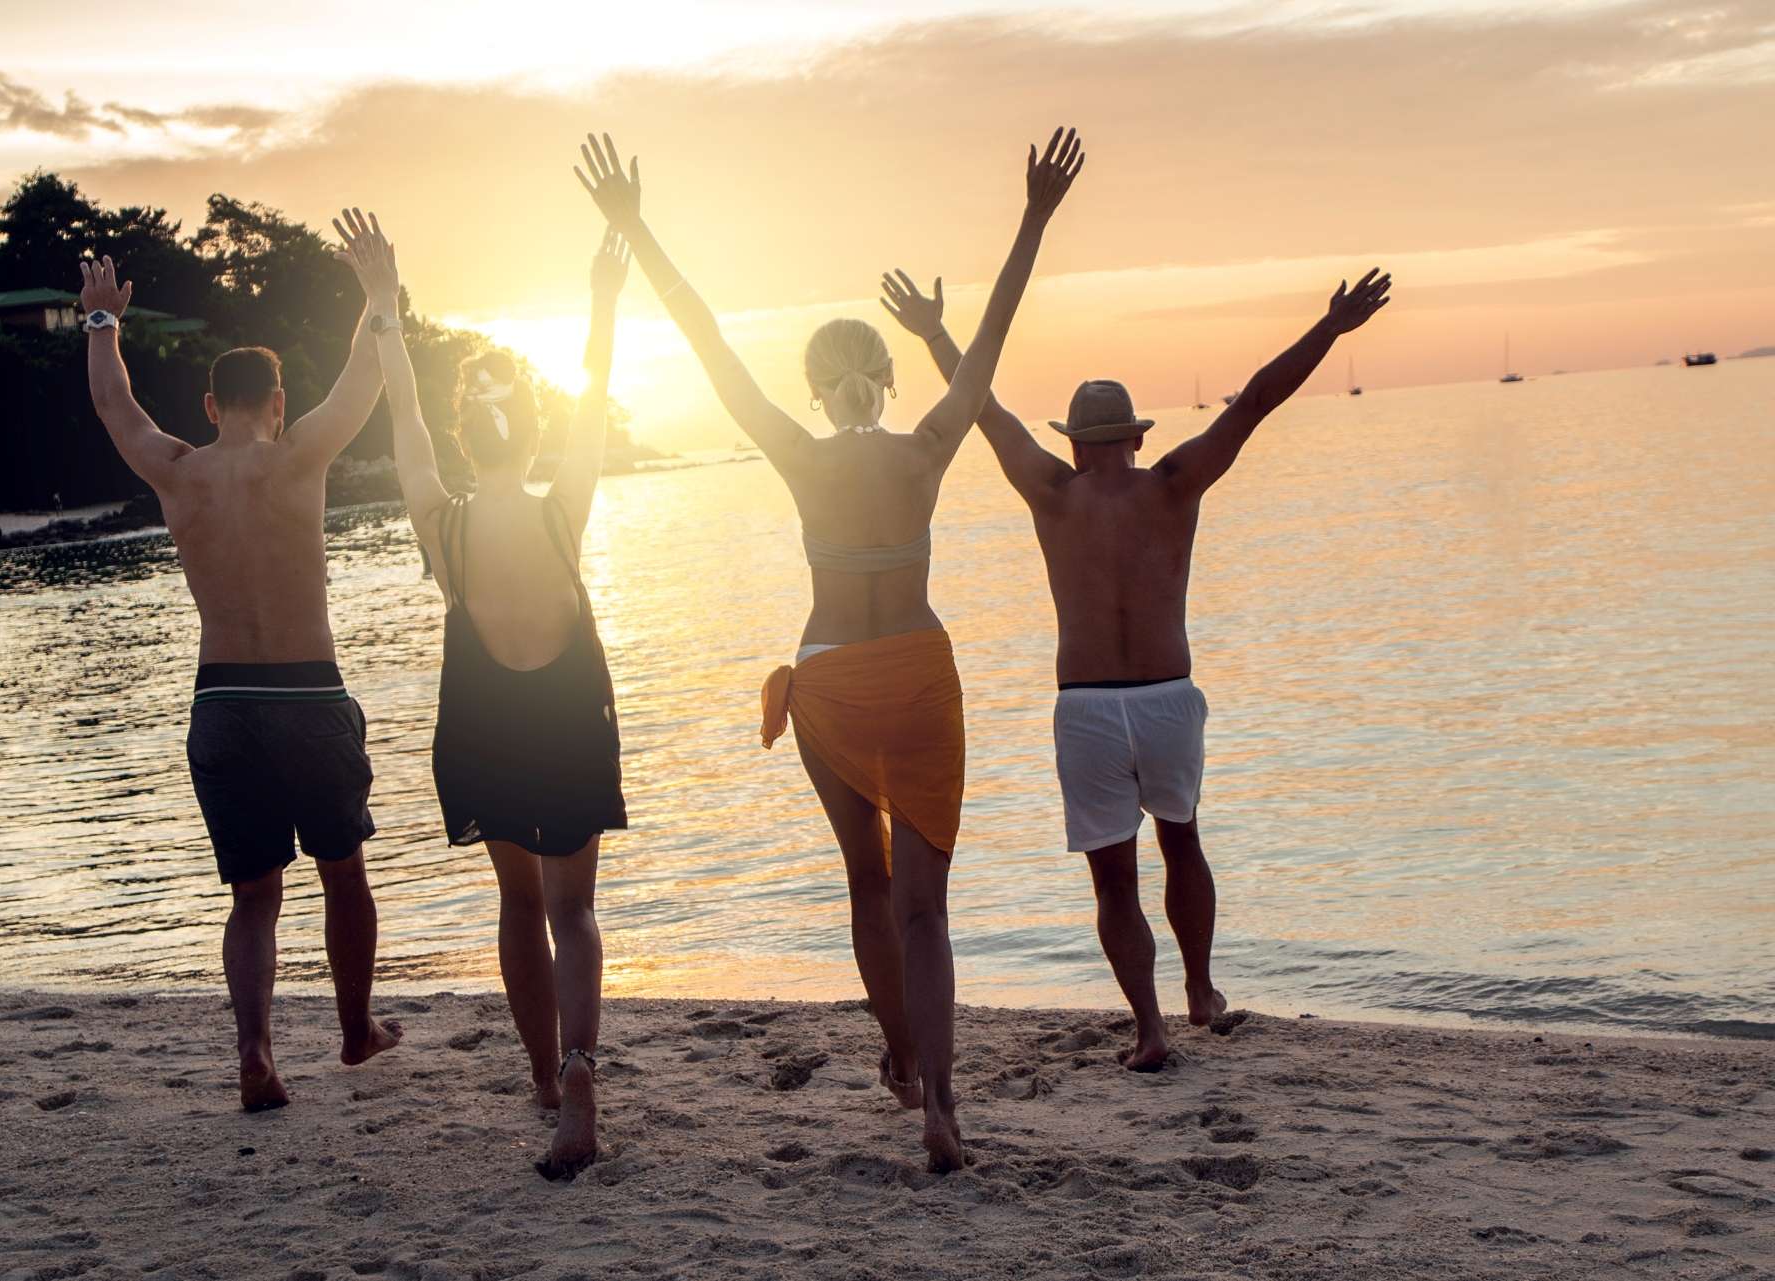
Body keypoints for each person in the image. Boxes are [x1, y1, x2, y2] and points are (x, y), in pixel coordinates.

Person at [577, 127, 1085, 1172]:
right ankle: (943, 1104)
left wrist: (634, 226)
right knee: (925, 910)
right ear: (887, 382)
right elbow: (990, 341)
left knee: (867, 883)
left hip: (835, 687)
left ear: (815, 390)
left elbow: (709, 341)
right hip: (919, 673)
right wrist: (1035, 214)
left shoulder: (799, 454)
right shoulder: (928, 447)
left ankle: (901, 1060)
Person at [880, 265, 1393, 1069]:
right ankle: (1199, 990)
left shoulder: (1050, 489)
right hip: (1166, 698)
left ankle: (1150, 1028)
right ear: (1138, 437)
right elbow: (1257, 399)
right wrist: (1330, 327)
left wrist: (936, 335)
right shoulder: (1174, 484)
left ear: (1075, 443)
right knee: (1182, 842)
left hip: (1085, 706)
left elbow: (984, 408)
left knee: (1113, 882)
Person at [76, 214, 404, 1113]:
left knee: (254, 896)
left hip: (221, 702)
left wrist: (102, 321)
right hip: (309, 691)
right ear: (278, 403)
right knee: (343, 872)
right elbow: (365, 377)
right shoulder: (303, 457)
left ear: (214, 407)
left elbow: (115, 407)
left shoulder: (179, 471)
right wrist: (377, 295)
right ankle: (353, 1029)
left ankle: (256, 1052)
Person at [365, 215, 630, 1180]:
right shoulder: (565, 505)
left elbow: (404, 423)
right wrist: (602, 299)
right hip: (567, 714)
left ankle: (542, 1078)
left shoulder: (445, 526)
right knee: (574, 908)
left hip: (487, 724)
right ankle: (578, 1062)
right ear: (526, 437)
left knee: (520, 904)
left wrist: (384, 310)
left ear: (469, 442)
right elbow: (594, 396)